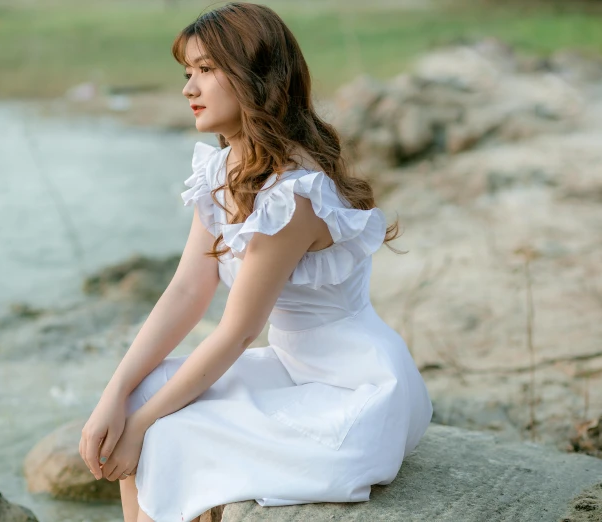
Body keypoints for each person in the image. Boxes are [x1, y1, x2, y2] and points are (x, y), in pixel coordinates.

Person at [78, 3, 433, 521]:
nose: (188, 89)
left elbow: (237, 332)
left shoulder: (291, 195)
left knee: (160, 432)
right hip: (292, 370)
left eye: (205, 70)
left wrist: (138, 425)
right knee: (138, 399)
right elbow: (185, 292)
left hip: (352, 388)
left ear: (255, 77)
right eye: (187, 72)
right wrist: (115, 395)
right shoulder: (225, 169)